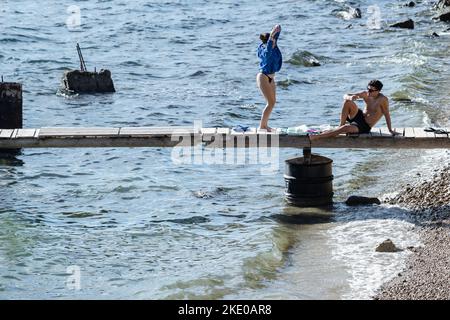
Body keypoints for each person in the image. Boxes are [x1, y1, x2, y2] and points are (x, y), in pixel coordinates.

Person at [310, 80, 396, 141]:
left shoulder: (383, 100)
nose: (368, 92)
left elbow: (387, 115)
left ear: (378, 91)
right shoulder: (365, 94)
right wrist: (350, 97)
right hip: (359, 116)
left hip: (364, 126)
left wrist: (390, 130)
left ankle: (318, 137)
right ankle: (340, 126)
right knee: (347, 102)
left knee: (345, 128)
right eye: (368, 89)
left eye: (371, 90)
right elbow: (345, 95)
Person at [257, 24, 282, 132]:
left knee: (272, 102)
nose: (275, 42)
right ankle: (262, 126)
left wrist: (277, 30)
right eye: (272, 40)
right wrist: (272, 34)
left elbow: (274, 38)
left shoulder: (274, 47)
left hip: (271, 78)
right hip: (263, 77)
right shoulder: (266, 51)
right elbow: (269, 47)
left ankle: (265, 125)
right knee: (270, 103)